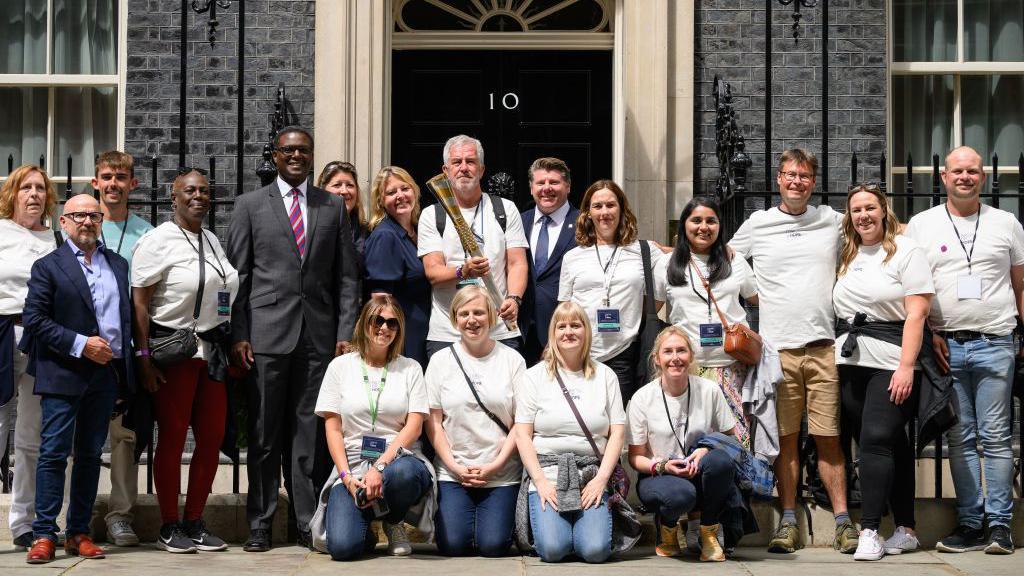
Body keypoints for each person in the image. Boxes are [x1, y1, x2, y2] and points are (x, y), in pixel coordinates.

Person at [227, 126, 362, 552]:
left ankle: (306, 520)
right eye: (288, 150)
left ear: (311, 155)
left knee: (309, 436)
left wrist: (344, 334)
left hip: (318, 337)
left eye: (303, 150)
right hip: (265, 336)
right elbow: (237, 278)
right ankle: (262, 522)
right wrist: (239, 333)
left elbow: (346, 278)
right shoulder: (250, 205)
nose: (296, 156)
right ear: (275, 155)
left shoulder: (332, 206)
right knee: (266, 435)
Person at [728, 148, 855, 554]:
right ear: (778, 179)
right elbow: (725, 257)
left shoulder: (832, 221)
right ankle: (787, 522)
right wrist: (753, 293)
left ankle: (842, 521)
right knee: (785, 439)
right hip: (776, 353)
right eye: (789, 175)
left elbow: (882, 228)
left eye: (804, 175)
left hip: (823, 348)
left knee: (829, 438)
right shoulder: (759, 223)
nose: (796, 181)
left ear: (813, 182)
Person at [905, 146, 1022, 555]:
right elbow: (910, 286)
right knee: (960, 437)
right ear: (943, 177)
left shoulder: (1006, 223)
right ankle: (971, 522)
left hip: (995, 342)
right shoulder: (921, 226)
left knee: (996, 436)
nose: (965, 177)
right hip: (945, 346)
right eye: (958, 171)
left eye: (973, 171)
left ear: (983, 178)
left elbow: (1020, 285)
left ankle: (1000, 525)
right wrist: (928, 331)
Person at [20, 193, 134, 564]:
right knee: (53, 453)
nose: (87, 221)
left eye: (94, 215)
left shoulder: (117, 264)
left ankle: (79, 532)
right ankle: (43, 534)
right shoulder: (48, 266)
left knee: (89, 455)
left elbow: (125, 318)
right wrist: (82, 344)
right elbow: (35, 320)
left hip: (105, 374)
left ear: (102, 220)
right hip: (63, 370)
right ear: (64, 222)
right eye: (79, 215)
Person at [131, 169, 240, 553]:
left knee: (211, 438)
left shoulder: (210, 239)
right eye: (189, 191)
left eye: (205, 191)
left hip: (211, 352)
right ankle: (168, 524)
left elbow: (222, 292)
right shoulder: (157, 240)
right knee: (174, 439)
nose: (199, 196)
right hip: (174, 352)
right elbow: (140, 304)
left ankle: (194, 520)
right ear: (173, 197)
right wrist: (143, 358)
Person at [832, 184, 934, 560]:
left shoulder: (907, 251)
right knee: (891, 443)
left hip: (891, 362)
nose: (864, 215)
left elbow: (917, 312)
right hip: (850, 362)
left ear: (884, 210)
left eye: (870, 208)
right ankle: (906, 528)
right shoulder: (847, 251)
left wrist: (907, 367)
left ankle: (870, 530)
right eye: (856, 209)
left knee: (874, 439)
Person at [314, 296, 432, 560]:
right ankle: (365, 523)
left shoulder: (410, 368)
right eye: (377, 320)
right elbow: (333, 429)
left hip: (398, 459)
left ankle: (394, 520)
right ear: (364, 323)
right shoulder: (340, 367)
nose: (384, 328)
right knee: (344, 549)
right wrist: (345, 477)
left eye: (392, 323)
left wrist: (380, 466)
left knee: (404, 475)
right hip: (354, 463)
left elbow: (414, 427)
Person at [514, 301, 628, 563]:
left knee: (595, 551)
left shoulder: (605, 375)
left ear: (586, 331)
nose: (568, 332)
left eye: (575, 325)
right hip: (549, 474)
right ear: (553, 333)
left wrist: (601, 479)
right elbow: (522, 435)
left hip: (591, 475)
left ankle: (583, 531)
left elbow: (617, 435)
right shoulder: (534, 377)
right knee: (553, 550)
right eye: (561, 326)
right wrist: (540, 481)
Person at [425, 285, 525, 557]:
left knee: (493, 546)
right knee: (453, 545)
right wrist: (455, 466)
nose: (472, 320)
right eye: (464, 313)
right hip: (454, 471)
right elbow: (433, 423)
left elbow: (521, 423)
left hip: (501, 472)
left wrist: (496, 465)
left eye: (479, 312)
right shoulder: (439, 361)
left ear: (492, 317)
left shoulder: (512, 360)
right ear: (455, 318)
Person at [626, 326, 738, 562]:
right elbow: (635, 458)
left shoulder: (709, 390)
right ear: (657, 358)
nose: (675, 358)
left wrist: (705, 449)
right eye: (668, 352)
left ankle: (708, 531)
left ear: (691, 356)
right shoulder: (642, 398)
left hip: (699, 471)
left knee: (720, 461)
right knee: (681, 495)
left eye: (681, 351)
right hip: (659, 475)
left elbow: (731, 439)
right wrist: (663, 466)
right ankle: (667, 529)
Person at [655, 197, 758, 448]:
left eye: (711, 221)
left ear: (720, 226)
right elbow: (651, 311)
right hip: (688, 370)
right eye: (696, 220)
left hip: (732, 369)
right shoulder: (666, 264)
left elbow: (759, 300)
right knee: (690, 443)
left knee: (735, 444)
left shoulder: (734, 260)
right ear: (684, 225)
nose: (704, 227)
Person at [418, 134, 529, 357]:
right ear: (446, 170)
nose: (464, 168)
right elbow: (433, 272)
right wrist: (463, 271)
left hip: (499, 330)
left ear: (481, 169)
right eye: (456, 162)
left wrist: (514, 299)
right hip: (448, 333)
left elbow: (517, 263)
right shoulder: (432, 215)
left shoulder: (505, 209)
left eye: (470, 162)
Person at [558, 179, 664, 404]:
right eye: (597, 206)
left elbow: (685, 256)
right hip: (580, 353)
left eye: (610, 205)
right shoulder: (573, 257)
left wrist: (722, 248)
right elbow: (564, 309)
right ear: (587, 213)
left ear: (622, 209)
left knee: (619, 423)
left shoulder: (644, 251)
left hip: (625, 355)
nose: (604, 212)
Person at [93, 150, 153, 547]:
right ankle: (69, 515)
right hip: (83, 347)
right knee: (76, 435)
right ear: (95, 182)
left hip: (125, 350)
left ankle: (120, 515)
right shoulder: (80, 224)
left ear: (133, 184)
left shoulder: (147, 233)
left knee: (124, 437)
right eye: (106, 176)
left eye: (120, 177)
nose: (112, 183)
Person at [0, 165, 58, 551]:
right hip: (3, 331)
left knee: (31, 435)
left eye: (40, 188)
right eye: (27, 187)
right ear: (13, 194)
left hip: (42, 337)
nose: (34, 194)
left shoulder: (56, 236)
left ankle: (25, 521)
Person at [364, 166, 430, 367]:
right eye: (391, 192)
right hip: (403, 336)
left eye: (405, 188)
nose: (400, 196)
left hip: (424, 329)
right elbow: (381, 298)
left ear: (415, 191)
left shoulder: (420, 229)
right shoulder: (385, 236)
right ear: (380, 201)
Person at [521, 157, 579, 365]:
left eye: (554, 182)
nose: (547, 188)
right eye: (540, 183)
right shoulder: (519, 221)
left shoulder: (585, 223)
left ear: (568, 186)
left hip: (566, 330)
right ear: (531, 188)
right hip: (522, 330)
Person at [317, 161, 369, 275]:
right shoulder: (311, 227)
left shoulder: (367, 230)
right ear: (322, 190)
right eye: (337, 185)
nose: (344, 191)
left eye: (350, 185)